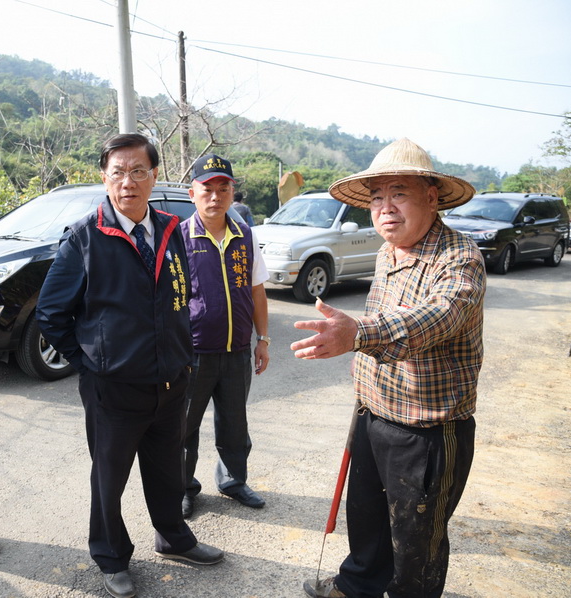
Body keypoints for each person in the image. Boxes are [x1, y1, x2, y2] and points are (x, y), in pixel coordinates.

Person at [290, 138, 485, 598]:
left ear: (431, 197)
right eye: (376, 197)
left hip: (429, 433)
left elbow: (440, 316)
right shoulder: (387, 252)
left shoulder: (459, 257)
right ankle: (354, 588)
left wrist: (357, 333)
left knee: (416, 547)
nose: (385, 207)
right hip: (373, 417)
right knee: (367, 522)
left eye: (398, 192)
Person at [36, 133, 224, 598]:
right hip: (113, 388)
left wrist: (180, 354)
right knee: (110, 477)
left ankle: (174, 538)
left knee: (167, 469)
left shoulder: (169, 229)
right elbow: (51, 314)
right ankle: (111, 555)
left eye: (138, 170)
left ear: (154, 175)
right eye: (118, 171)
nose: (128, 181)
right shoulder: (85, 236)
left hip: (171, 379)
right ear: (104, 177)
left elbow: (180, 298)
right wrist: (92, 363)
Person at [180, 154, 270, 519]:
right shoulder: (179, 238)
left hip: (236, 352)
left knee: (234, 423)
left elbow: (258, 291)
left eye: (223, 188)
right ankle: (182, 487)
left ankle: (233, 481)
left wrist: (263, 339)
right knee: (183, 426)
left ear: (232, 192)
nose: (215, 196)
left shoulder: (246, 237)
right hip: (193, 353)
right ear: (192, 193)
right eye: (207, 189)